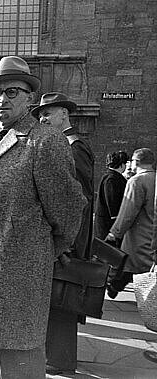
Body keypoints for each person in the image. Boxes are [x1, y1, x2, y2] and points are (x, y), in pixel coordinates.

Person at [0, 56, 86, 378]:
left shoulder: (44, 140)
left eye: (12, 92)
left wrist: (40, 252)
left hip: (19, 278)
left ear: (28, 98)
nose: (2, 99)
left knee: (18, 366)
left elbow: (67, 209)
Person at [32, 92, 96, 375]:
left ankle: (60, 360)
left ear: (64, 115)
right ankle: (54, 356)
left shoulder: (74, 147)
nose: (43, 118)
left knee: (62, 298)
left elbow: (78, 197)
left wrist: (69, 240)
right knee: (55, 299)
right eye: (41, 114)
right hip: (62, 236)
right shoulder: (61, 144)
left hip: (68, 239)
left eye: (48, 113)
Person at [106, 148, 156, 298]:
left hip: (138, 237)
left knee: (128, 266)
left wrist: (114, 232)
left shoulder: (136, 181)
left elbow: (128, 211)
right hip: (153, 236)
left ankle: (114, 286)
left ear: (137, 162)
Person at [95, 151, 129, 240]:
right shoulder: (113, 179)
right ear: (122, 165)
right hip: (109, 224)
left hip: (105, 221)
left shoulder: (108, 176)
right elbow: (112, 202)